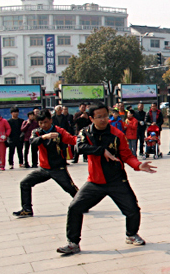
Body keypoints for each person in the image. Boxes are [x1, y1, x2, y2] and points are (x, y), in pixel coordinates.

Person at [56, 104, 156, 254]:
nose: (104, 119)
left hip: (116, 180)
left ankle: (131, 234)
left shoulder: (117, 135)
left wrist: (138, 165)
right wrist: (101, 150)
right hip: (94, 182)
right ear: (91, 118)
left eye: (105, 116)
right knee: (74, 208)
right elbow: (79, 147)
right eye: (99, 117)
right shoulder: (85, 133)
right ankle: (73, 243)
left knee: (133, 210)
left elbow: (127, 155)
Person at [13, 109, 79, 217]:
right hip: (43, 168)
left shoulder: (59, 131)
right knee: (25, 183)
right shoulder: (37, 132)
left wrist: (84, 139)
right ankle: (27, 209)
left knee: (70, 188)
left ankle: (82, 205)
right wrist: (44, 137)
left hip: (58, 168)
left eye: (46, 122)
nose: (43, 125)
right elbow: (32, 142)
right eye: (41, 123)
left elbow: (72, 140)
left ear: (51, 120)